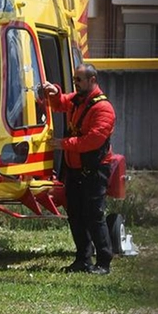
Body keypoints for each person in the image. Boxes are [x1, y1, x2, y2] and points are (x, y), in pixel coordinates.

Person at [43, 63, 116, 275]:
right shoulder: (78, 100)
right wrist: (55, 91)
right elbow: (60, 102)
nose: (75, 83)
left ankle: (104, 262)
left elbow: (92, 141)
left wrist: (62, 143)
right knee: (75, 214)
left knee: (94, 215)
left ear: (92, 80)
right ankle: (82, 259)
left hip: (95, 169)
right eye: (75, 80)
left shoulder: (103, 109)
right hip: (75, 169)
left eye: (79, 80)